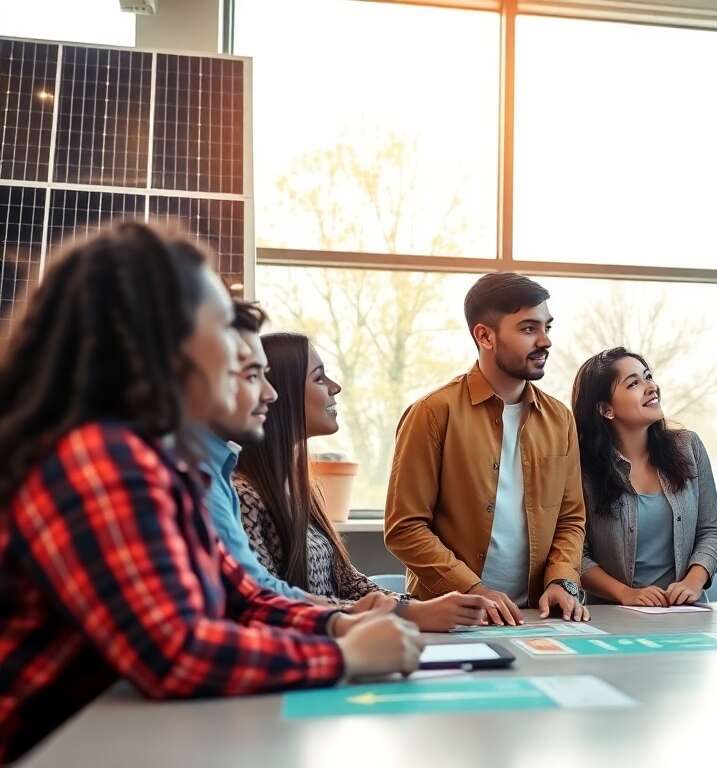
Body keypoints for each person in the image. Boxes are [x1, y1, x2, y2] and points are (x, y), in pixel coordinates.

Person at [0, 222, 422, 763]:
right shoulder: (100, 456)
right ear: (162, 337)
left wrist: (339, 621)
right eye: (224, 326)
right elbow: (176, 652)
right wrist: (342, 655)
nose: (242, 352)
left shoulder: (165, 463)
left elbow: (241, 594)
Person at [234, 332, 489, 631]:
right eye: (319, 378)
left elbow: (349, 583)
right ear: (279, 394)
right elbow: (268, 603)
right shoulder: (243, 497)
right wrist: (406, 614)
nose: (335, 387)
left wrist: (419, 607)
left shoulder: (299, 489)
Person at [384, 272, 589, 625]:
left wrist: (562, 581)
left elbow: (570, 519)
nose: (545, 341)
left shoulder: (560, 419)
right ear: (485, 335)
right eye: (528, 329)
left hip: (536, 618)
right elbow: (405, 528)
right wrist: (474, 590)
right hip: (450, 619)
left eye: (547, 328)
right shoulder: (432, 413)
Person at [571, 347, 717, 606]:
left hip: (685, 613)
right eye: (634, 383)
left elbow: (712, 529)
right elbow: (575, 553)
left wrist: (692, 583)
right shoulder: (581, 468)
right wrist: (625, 594)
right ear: (606, 409)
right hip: (611, 617)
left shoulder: (689, 447)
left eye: (648, 376)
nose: (650, 387)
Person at [199, 300, 317, 603]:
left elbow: (252, 590)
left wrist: (342, 621)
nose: (270, 393)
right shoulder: (206, 481)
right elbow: (248, 601)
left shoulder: (216, 470)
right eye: (252, 375)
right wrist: (344, 627)